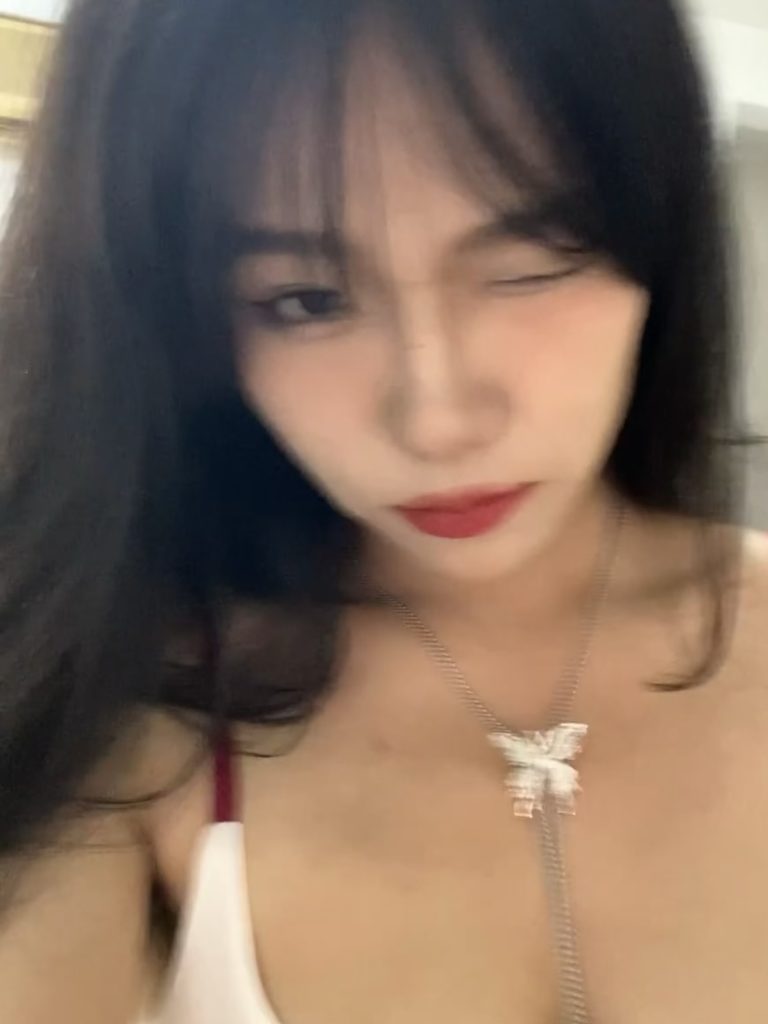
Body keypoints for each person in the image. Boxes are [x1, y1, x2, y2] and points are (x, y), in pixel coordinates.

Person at [0, 0, 766, 1021]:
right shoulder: (126, 708)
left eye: (532, 263)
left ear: (661, 241)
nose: (437, 420)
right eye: (305, 300)